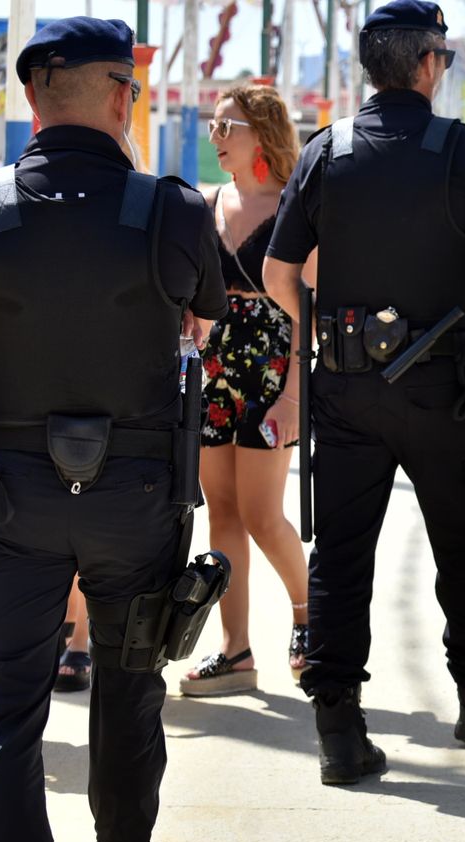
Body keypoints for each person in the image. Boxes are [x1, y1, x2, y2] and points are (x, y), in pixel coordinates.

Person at [0, 16, 228, 842]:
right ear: (116, 97)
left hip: (10, 495)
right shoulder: (172, 207)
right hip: (137, 495)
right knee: (129, 690)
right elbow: (209, 311)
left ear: (31, 98)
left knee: (5, 709)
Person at [262, 0, 465, 785]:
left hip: (342, 385)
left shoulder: (327, 149)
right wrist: (458, 257)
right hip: (440, 386)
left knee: (340, 556)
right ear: (427, 62)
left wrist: (330, 329)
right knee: (462, 540)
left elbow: (279, 275)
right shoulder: (462, 149)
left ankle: (338, 730)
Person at [180, 82, 312, 698]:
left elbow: (307, 308)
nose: (215, 136)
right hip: (213, 370)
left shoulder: (295, 205)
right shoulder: (208, 202)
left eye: (226, 125)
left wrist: (292, 392)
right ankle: (235, 652)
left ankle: (312, 618)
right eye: (212, 124)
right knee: (224, 511)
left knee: (263, 514)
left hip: (272, 370)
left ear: (262, 133)